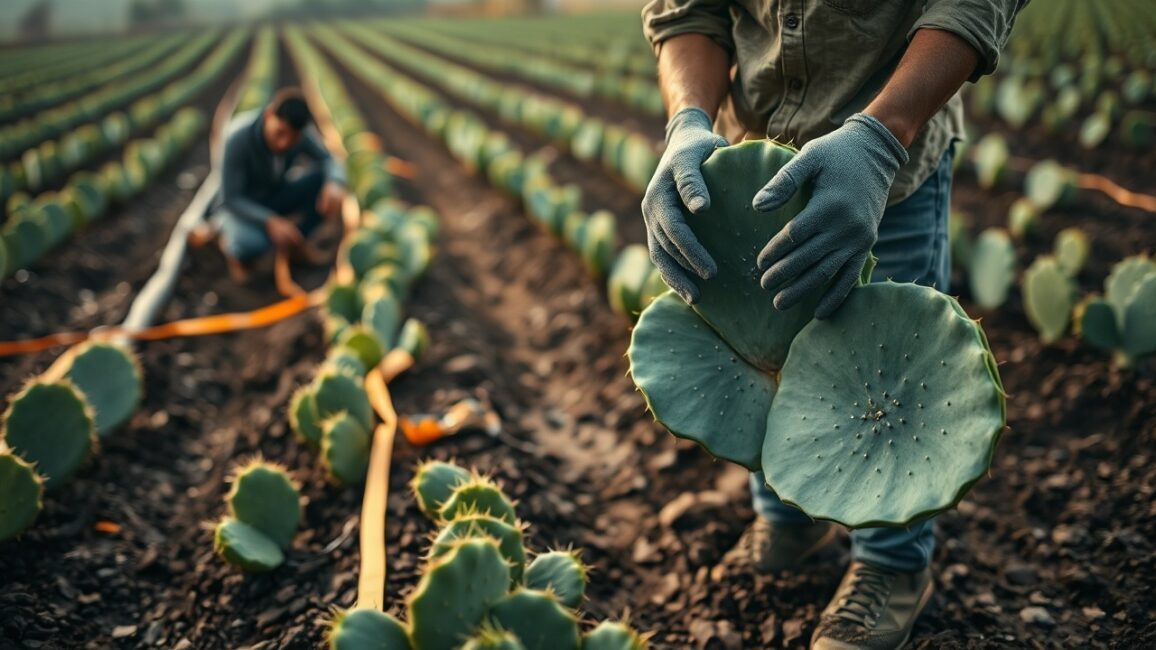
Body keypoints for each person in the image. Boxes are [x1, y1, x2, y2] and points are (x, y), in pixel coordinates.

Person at [640, 2, 1024, 648]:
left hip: (889, 160)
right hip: (753, 149)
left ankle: (892, 566)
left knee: (892, 371)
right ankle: (786, 519)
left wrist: (882, 136)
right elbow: (688, 9)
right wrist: (687, 118)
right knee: (766, 346)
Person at [195, 87, 347, 282]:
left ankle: (296, 244)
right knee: (252, 243)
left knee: (324, 182)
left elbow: (330, 159)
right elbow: (231, 199)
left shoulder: (301, 134)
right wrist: (270, 221)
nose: (284, 143)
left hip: (273, 195)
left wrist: (334, 183)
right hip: (241, 206)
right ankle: (225, 238)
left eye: (293, 138)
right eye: (279, 133)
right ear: (268, 115)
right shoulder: (238, 138)